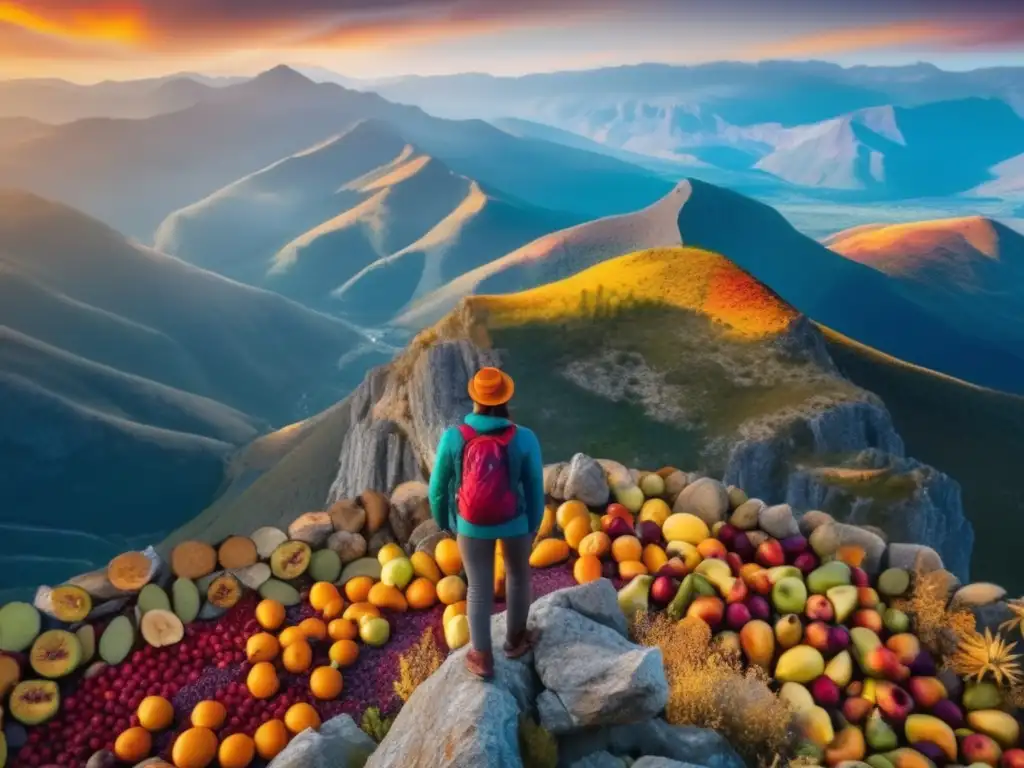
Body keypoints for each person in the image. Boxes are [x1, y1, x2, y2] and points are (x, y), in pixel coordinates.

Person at [428, 366, 545, 679]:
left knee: (478, 587)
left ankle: (481, 657)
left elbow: (438, 487)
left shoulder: (454, 437)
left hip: (470, 524)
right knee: (518, 577)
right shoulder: (524, 438)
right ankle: (515, 641)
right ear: (506, 397)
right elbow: (535, 486)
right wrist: (532, 525)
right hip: (516, 522)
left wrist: (446, 522)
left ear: (474, 398)